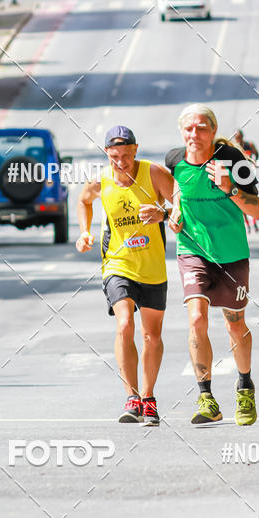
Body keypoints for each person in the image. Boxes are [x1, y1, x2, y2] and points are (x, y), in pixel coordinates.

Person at [166, 104, 259, 425]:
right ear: (182, 131)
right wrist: (176, 212)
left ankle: (244, 386)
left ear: (212, 131)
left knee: (235, 323)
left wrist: (229, 188)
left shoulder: (235, 162)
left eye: (202, 128)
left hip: (232, 254)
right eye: (189, 128)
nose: (195, 134)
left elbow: (258, 211)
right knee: (196, 319)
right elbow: (178, 188)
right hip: (193, 252)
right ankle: (205, 396)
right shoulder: (174, 160)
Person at [76, 125, 174, 425]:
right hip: (117, 265)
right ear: (107, 153)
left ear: (136, 151)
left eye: (126, 156)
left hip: (153, 267)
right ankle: (131, 396)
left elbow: (181, 205)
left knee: (152, 336)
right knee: (125, 324)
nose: (120, 162)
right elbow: (83, 201)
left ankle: (148, 398)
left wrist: (164, 214)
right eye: (114, 156)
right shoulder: (101, 181)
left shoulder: (154, 174)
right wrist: (84, 232)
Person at [233, 129, 259, 234]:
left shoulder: (249, 145)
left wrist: (254, 162)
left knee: (252, 196)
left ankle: (254, 222)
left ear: (242, 137)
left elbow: (256, 154)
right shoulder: (233, 147)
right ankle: (247, 224)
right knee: (242, 199)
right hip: (238, 175)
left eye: (239, 137)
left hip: (249, 174)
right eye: (236, 138)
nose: (238, 139)